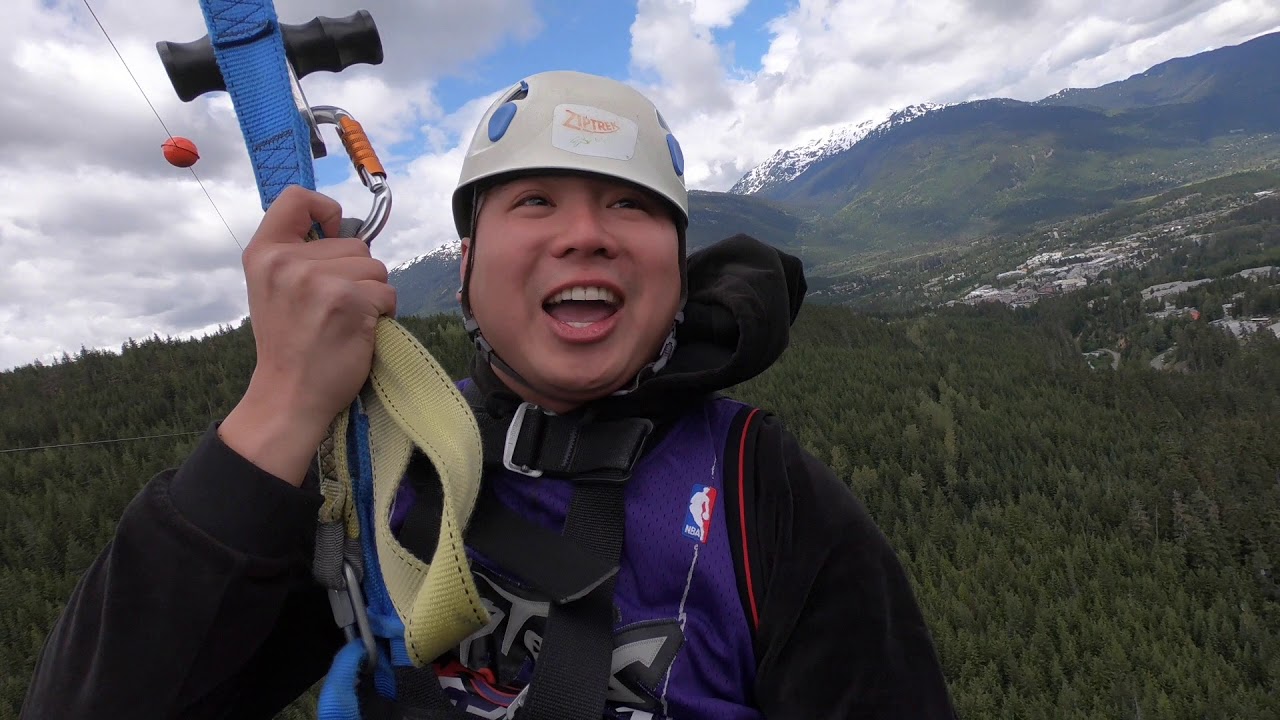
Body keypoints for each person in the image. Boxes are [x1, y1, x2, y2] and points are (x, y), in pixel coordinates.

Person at [22, 70, 956, 719]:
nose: (586, 234)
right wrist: (280, 406)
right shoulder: (377, 471)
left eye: (629, 205)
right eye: (535, 202)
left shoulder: (759, 490)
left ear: (677, 272)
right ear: (465, 271)